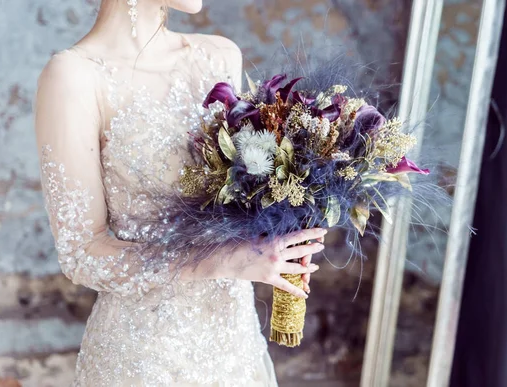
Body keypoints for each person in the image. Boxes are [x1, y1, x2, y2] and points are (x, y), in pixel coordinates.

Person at [34, 1, 326, 385]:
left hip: (235, 348)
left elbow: (232, 195)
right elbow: (82, 254)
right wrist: (224, 261)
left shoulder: (219, 56)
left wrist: (283, 218)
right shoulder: (73, 76)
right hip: (145, 358)